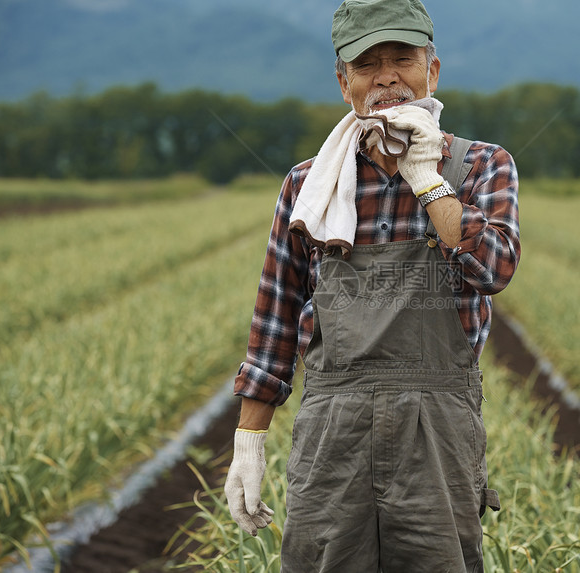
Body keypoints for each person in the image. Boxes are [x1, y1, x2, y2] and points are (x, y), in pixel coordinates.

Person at [223, 0, 520, 570]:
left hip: (435, 429)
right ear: (344, 83)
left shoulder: (480, 166)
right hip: (333, 430)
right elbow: (277, 316)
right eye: (367, 65)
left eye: (402, 59)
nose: (386, 77)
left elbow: (496, 269)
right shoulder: (311, 185)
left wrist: (428, 180)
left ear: (431, 70)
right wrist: (249, 440)